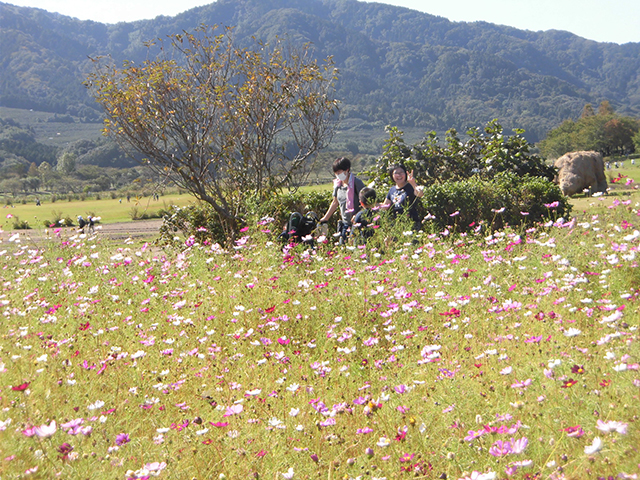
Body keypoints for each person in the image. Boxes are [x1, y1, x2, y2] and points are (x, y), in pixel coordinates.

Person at [319, 157, 365, 245]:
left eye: (339, 172)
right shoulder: (338, 185)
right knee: (343, 247)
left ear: (347, 170)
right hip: (345, 223)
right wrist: (325, 219)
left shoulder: (356, 183)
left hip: (357, 224)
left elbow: (366, 203)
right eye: (336, 173)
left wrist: (357, 215)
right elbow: (335, 202)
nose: (337, 175)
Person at [381, 164, 424, 229]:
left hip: (411, 224)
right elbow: (385, 206)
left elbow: (420, 194)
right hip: (398, 225)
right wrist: (372, 205)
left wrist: (413, 183)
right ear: (392, 176)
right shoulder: (392, 190)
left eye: (401, 172)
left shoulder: (410, 187)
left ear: (405, 174)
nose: (399, 175)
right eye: (396, 173)